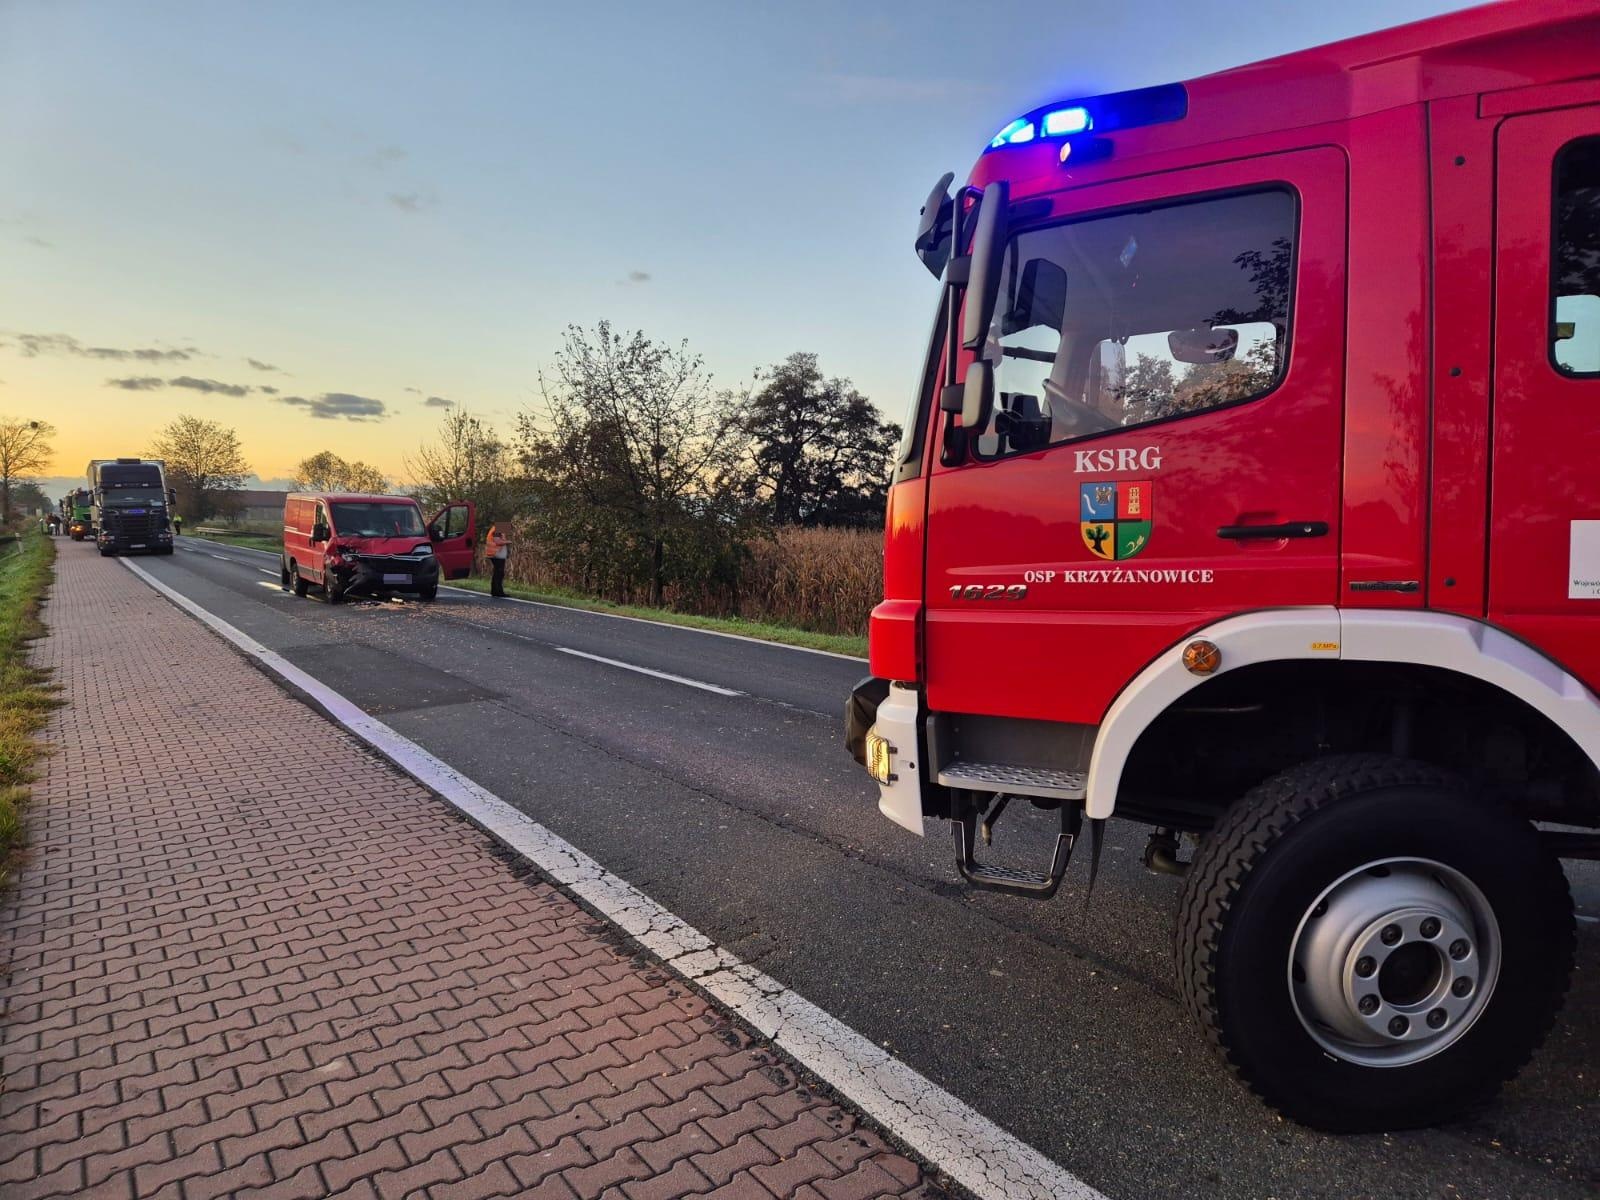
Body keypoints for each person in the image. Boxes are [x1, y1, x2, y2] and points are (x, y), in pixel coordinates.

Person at [485, 519, 510, 597]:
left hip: (496, 554)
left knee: (497, 573)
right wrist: (509, 542)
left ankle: (494, 591)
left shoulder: (497, 529)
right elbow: (498, 542)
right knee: (499, 573)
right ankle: (499, 592)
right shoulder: (497, 530)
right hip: (496, 554)